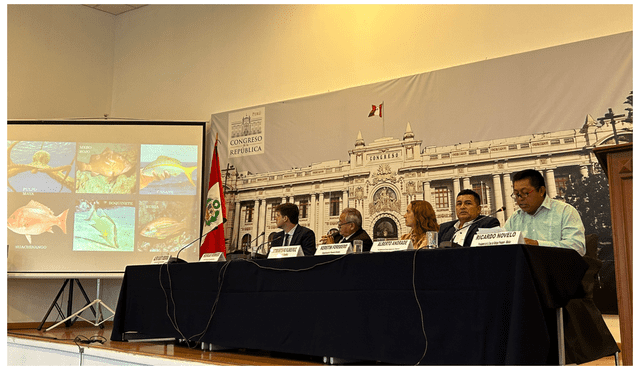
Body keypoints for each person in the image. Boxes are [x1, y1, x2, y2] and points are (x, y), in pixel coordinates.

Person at [504, 169, 585, 255]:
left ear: (541, 191)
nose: (520, 198)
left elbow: (577, 248)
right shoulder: (515, 218)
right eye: (517, 194)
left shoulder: (565, 211)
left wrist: (537, 245)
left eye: (525, 193)